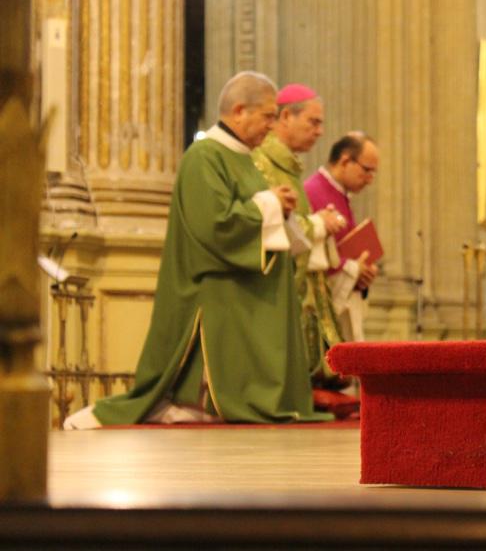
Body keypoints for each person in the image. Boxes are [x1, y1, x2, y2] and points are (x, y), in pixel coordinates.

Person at [64, 71, 331, 428]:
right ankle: (198, 399)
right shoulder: (204, 157)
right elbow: (215, 224)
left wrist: (277, 205)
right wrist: (269, 203)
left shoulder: (243, 159)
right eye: (268, 116)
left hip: (244, 281)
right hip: (214, 284)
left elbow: (246, 209)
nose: (272, 125)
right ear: (239, 111)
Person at [250, 83, 347, 387]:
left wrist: (315, 224)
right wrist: (316, 224)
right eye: (313, 122)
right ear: (286, 118)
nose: (320, 131)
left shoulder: (288, 165)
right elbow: (263, 220)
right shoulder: (261, 162)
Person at [304, 132, 380, 343]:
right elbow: (309, 255)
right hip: (318, 311)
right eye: (367, 170)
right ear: (345, 160)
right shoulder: (312, 191)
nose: (370, 180)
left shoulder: (341, 195)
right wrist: (354, 269)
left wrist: (363, 273)